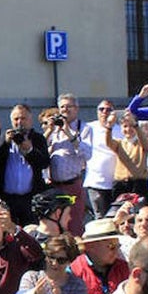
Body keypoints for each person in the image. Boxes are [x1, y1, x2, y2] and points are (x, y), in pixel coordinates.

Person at [0, 104, 50, 226]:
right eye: (16, 119)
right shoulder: (4, 138)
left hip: (31, 197)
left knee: (31, 229)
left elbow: (44, 163)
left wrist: (29, 150)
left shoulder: (38, 139)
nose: (19, 122)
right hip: (7, 198)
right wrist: (5, 144)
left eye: (23, 118)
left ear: (30, 120)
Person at [45, 94, 91, 235]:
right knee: (54, 223)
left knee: (73, 223)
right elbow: (40, 150)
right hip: (54, 185)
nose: (65, 110)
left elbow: (87, 154)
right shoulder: (54, 130)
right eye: (62, 107)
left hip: (72, 185)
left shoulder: (84, 128)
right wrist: (49, 130)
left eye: (69, 106)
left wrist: (68, 132)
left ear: (76, 109)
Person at [70, 219, 130, 294]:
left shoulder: (124, 268)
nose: (116, 251)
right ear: (90, 246)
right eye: (111, 246)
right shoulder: (74, 271)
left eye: (118, 246)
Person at [82, 100, 120, 219]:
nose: (104, 112)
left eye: (108, 109)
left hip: (117, 182)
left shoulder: (121, 129)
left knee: (117, 218)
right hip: (96, 182)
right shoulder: (88, 127)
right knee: (100, 219)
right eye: (101, 109)